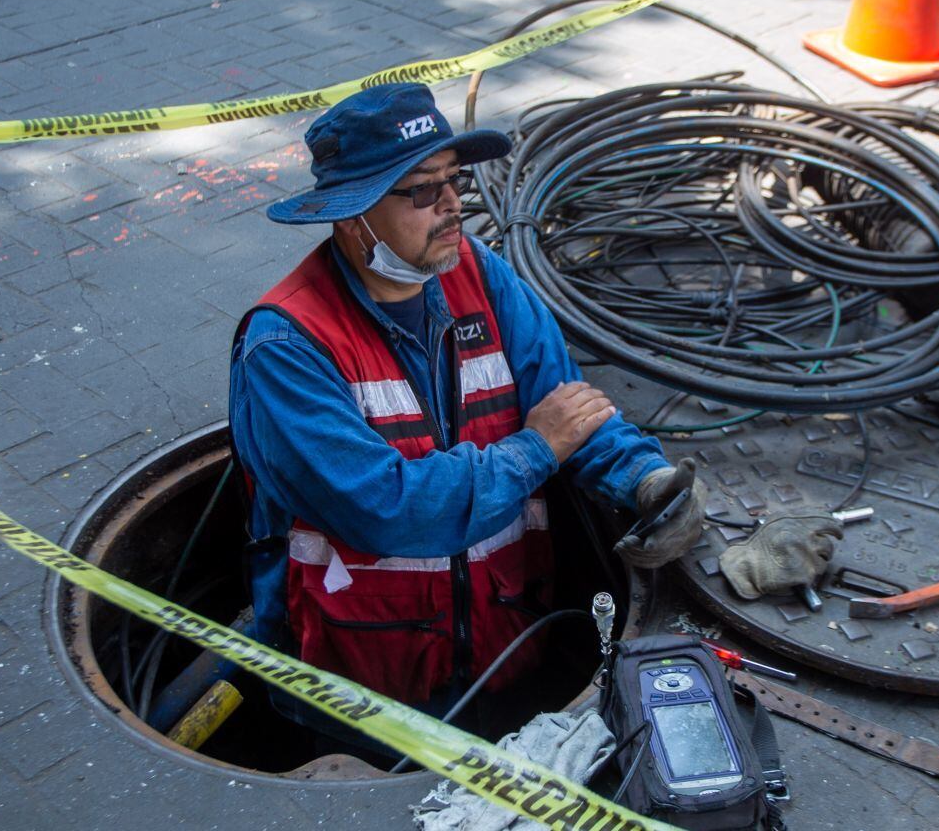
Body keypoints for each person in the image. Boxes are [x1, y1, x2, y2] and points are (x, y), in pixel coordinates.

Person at [229, 82, 704, 722]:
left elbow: (567, 407)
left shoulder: (477, 273)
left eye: (456, 181)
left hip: (508, 645)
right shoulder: (287, 345)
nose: (453, 206)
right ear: (352, 213)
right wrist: (534, 450)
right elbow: (385, 508)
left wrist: (643, 478)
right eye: (424, 190)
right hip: (363, 687)